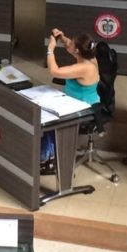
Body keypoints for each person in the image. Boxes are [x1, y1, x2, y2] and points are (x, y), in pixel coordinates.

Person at [41, 28, 101, 167]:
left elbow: (54, 71)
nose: (68, 44)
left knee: (49, 120)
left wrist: (50, 49)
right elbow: (69, 44)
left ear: (77, 51)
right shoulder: (88, 56)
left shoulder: (85, 67)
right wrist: (61, 37)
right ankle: (49, 154)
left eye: (72, 44)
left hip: (86, 108)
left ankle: (47, 157)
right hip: (72, 101)